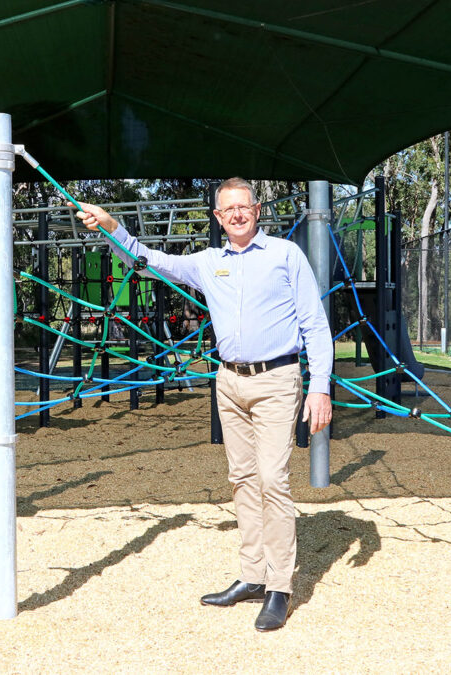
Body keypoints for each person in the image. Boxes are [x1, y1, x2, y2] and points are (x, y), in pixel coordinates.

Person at [74, 177, 333, 632]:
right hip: (229, 381)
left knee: (273, 479)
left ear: (257, 210)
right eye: (227, 209)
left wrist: (320, 387)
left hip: (277, 378)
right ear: (217, 217)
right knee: (242, 478)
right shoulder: (207, 262)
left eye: (244, 207)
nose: (236, 214)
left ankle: (279, 587)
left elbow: (315, 323)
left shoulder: (285, 255)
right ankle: (252, 576)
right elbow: (147, 260)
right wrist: (112, 226)